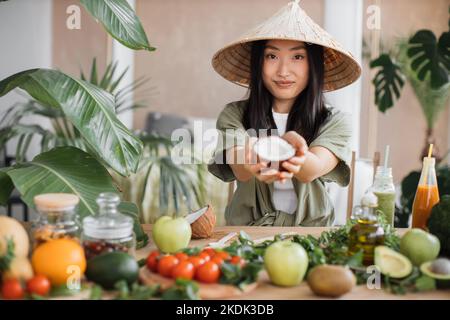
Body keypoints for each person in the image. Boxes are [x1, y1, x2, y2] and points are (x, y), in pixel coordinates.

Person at [208, 0, 361, 226]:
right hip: (246, 236)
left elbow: (313, 168)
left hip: (311, 239)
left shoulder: (337, 121)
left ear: (314, 65)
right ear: (258, 63)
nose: (283, 71)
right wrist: (252, 161)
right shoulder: (233, 114)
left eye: (297, 57)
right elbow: (239, 166)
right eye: (272, 56)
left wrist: (296, 155)